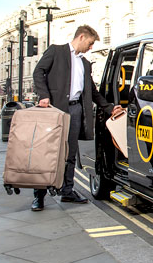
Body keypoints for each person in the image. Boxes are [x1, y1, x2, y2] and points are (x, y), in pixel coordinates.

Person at [32, 25, 122, 211]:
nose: (90, 48)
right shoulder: (56, 51)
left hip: (75, 111)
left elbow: (92, 92)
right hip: (54, 110)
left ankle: (67, 191)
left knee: (70, 154)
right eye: (89, 44)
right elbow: (38, 72)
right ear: (81, 37)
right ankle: (39, 196)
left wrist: (109, 108)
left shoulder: (84, 63)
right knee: (47, 153)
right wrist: (43, 95)